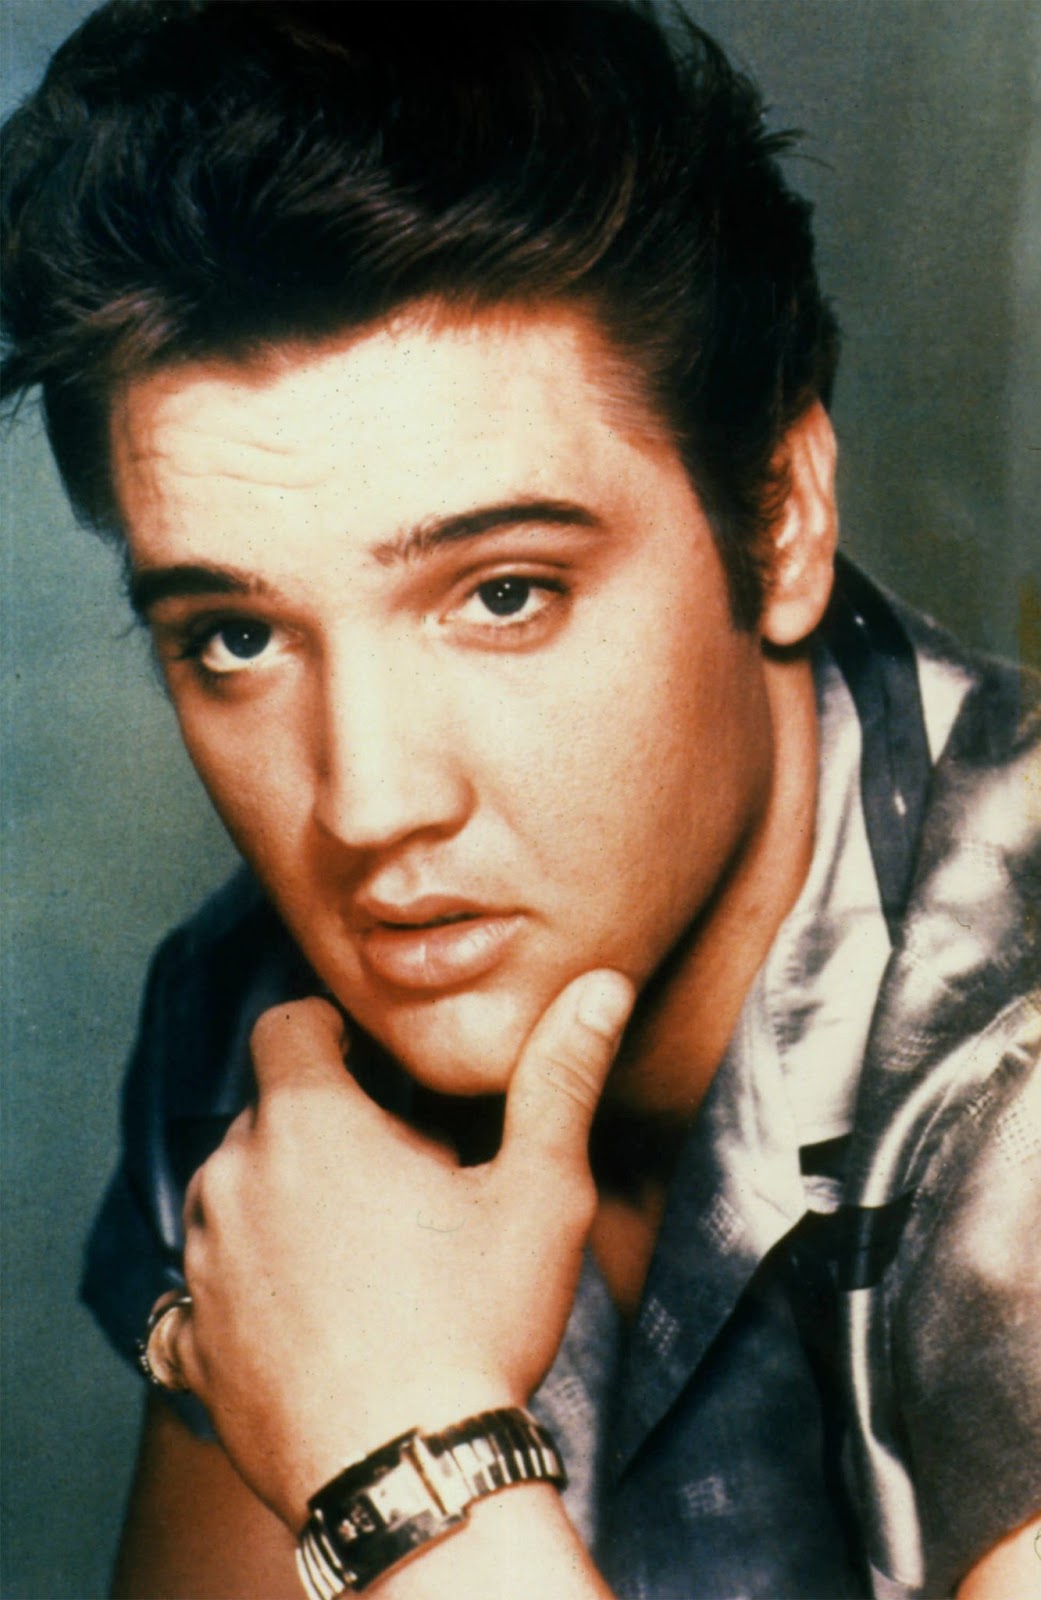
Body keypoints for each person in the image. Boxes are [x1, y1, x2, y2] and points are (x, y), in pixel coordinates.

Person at [2, 3, 1039, 1597]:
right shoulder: (261, 1023)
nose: (365, 808)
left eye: (502, 595)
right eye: (236, 635)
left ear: (778, 518)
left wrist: (403, 1462)